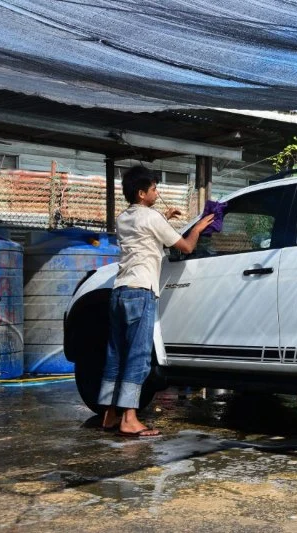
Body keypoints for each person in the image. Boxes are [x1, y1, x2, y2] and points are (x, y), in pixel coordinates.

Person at [99, 166, 214, 438]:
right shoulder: (151, 217)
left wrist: (163, 216)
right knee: (138, 356)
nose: (157, 192)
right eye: (153, 189)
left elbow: (144, 230)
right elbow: (185, 247)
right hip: (141, 292)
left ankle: (109, 414)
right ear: (142, 193)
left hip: (120, 291)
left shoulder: (124, 217)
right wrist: (197, 228)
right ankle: (130, 419)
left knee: (115, 354)